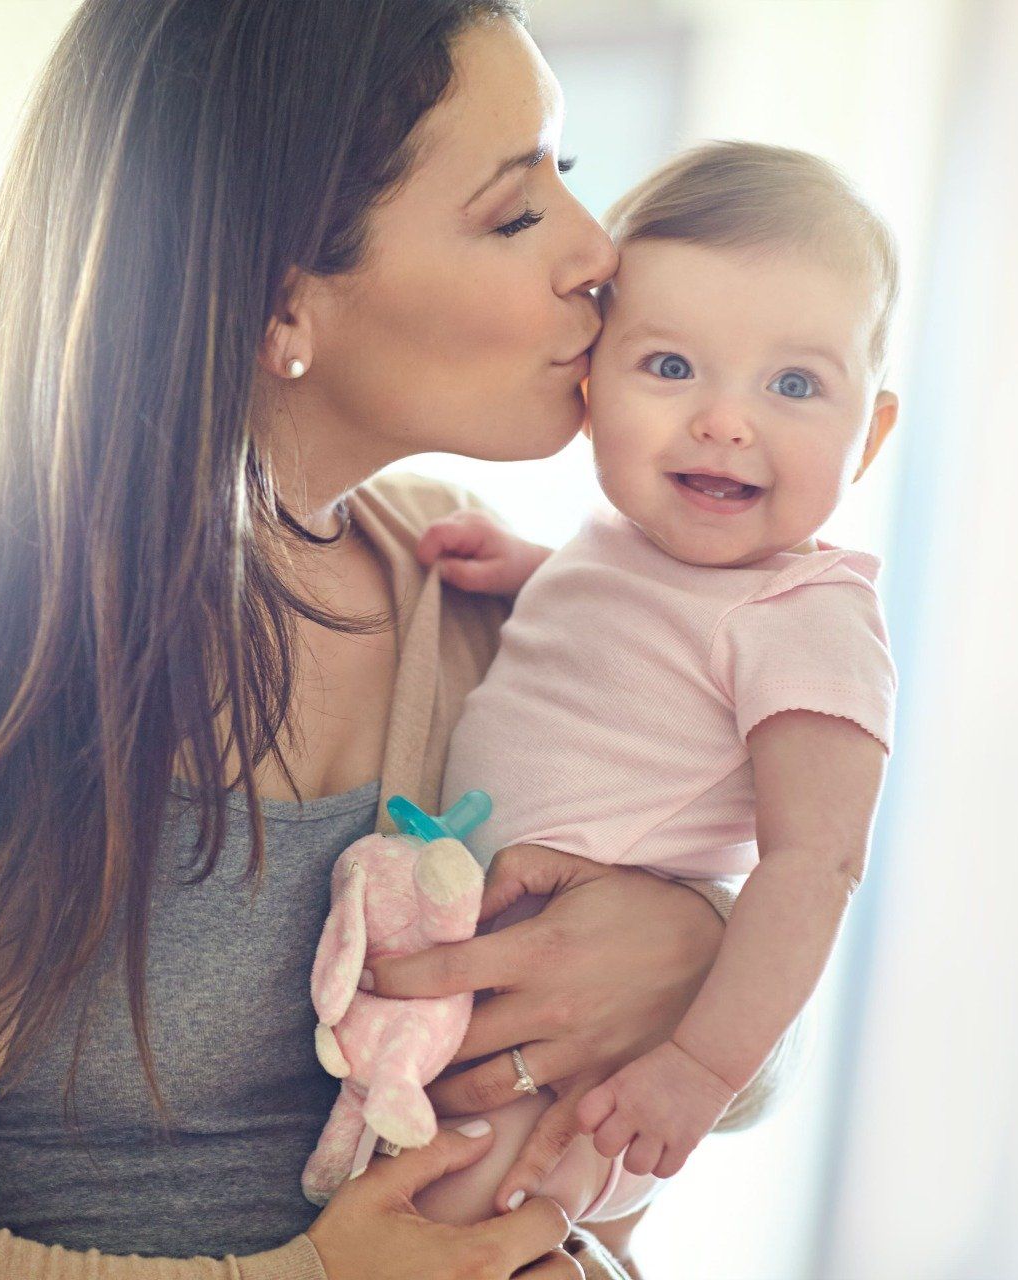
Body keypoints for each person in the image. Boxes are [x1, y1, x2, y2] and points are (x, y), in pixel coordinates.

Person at [0, 3, 790, 1276]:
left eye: (567, 178)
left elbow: (702, 1070)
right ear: (281, 299)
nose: (599, 253)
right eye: (515, 211)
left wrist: (689, 939)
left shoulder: (477, 598)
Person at [386, 140, 901, 1229]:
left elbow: (818, 861)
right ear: (589, 381)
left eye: (796, 384)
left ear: (873, 435)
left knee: (457, 1231)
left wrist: (699, 1069)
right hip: (485, 990)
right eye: (671, 367)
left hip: (582, 1073)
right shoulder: (617, 546)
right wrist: (532, 575)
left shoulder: (806, 620)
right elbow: (631, 644)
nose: (726, 419)